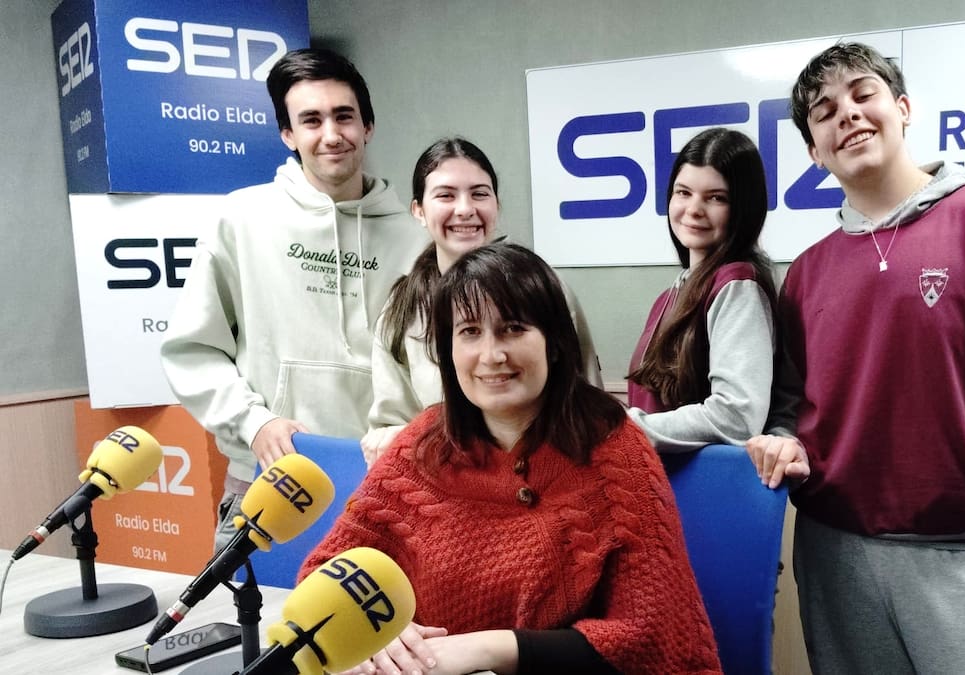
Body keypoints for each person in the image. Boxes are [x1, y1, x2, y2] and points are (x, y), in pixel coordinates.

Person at [747, 42, 965, 674]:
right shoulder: (806, 273)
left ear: (902, 108)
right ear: (813, 150)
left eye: (863, 95)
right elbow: (788, 408)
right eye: (825, 112)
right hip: (835, 555)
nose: (848, 116)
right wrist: (781, 441)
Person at [301, 242, 721, 675]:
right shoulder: (421, 446)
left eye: (513, 329)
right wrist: (385, 633)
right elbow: (326, 575)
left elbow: (649, 636)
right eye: (469, 332)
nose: (491, 355)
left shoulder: (616, 451)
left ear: (554, 343)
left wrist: (491, 649)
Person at [160, 48, 428, 550]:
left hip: (386, 487)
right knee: (251, 627)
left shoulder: (417, 240)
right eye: (311, 119)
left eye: (344, 116)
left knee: (391, 629)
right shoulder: (241, 219)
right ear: (288, 134)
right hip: (268, 481)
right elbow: (192, 350)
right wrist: (253, 420)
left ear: (367, 126)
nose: (331, 134)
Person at [360, 137, 602, 465]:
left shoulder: (543, 287)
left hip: (547, 481)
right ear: (418, 210)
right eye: (446, 195)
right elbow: (393, 426)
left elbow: (587, 402)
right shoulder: (402, 308)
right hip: (447, 491)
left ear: (496, 205)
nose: (465, 209)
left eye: (479, 193)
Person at [626, 127, 779, 455]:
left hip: (700, 496)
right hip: (657, 488)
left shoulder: (738, 287)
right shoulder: (671, 296)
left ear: (743, 208)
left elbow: (736, 417)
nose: (694, 209)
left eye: (716, 197)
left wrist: (625, 429)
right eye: (683, 192)